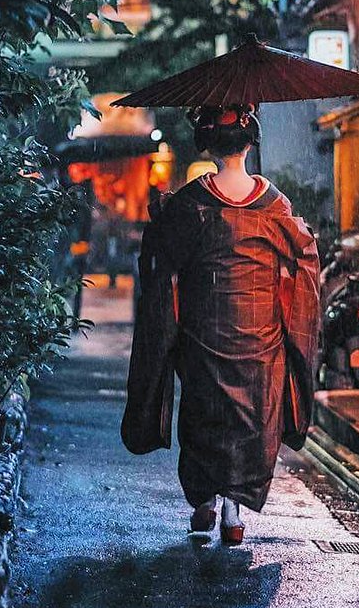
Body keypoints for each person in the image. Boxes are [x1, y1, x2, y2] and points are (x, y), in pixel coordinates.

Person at [121, 105, 320, 545]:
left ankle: (205, 503)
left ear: (208, 144)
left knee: (203, 413)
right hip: (260, 331)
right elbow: (302, 260)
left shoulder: (191, 203)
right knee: (254, 419)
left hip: (203, 330)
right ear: (251, 143)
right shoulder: (276, 206)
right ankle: (234, 511)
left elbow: (164, 259)